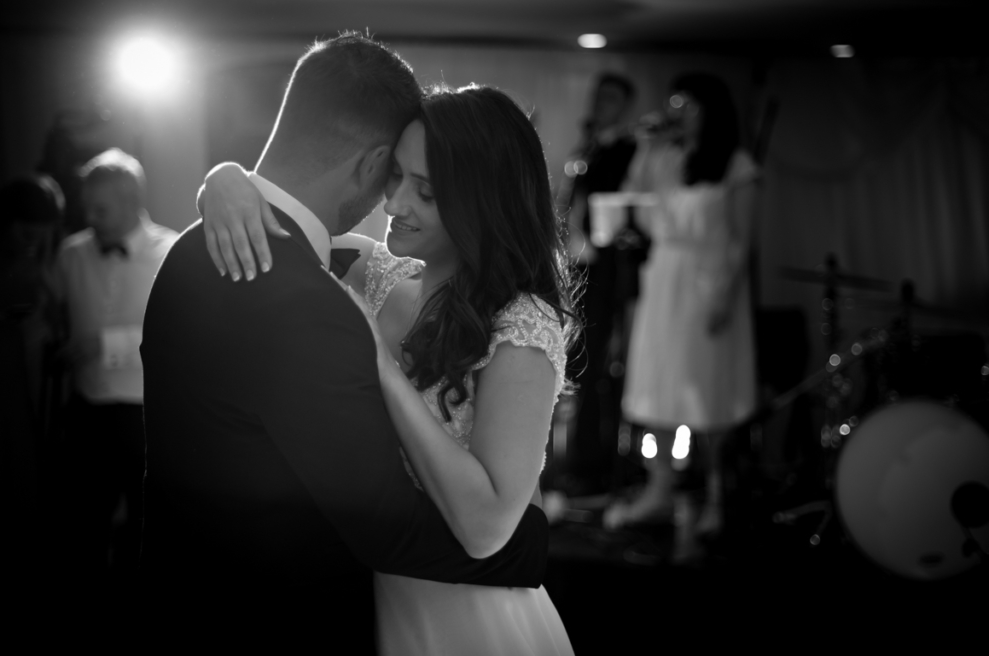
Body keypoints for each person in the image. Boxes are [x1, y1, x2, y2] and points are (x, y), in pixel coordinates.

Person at [140, 35, 552, 650]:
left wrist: (382, 363)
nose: (393, 203)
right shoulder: (361, 276)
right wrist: (223, 180)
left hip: (455, 614)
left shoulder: (187, 253)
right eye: (395, 177)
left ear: (481, 202)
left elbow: (483, 514)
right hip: (347, 595)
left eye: (424, 190)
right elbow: (386, 530)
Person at [603, 73, 758, 539]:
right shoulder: (667, 157)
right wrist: (648, 148)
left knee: (708, 393)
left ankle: (714, 496)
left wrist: (726, 297)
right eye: (675, 104)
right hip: (664, 280)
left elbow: (742, 239)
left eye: (687, 105)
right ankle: (661, 490)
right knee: (661, 388)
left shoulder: (736, 165)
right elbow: (635, 202)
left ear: (709, 109)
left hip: (708, 283)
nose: (679, 113)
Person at [54, 148, 178, 580]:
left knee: (145, 526)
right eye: (85, 204)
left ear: (131, 202)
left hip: (144, 413)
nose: (89, 215)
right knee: (83, 523)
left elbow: (176, 334)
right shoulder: (70, 254)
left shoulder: (171, 252)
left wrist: (103, 345)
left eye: (99, 207)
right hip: (86, 410)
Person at [0, 174, 64, 586]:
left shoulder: (31, 250)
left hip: (11, 363)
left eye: (40, 235)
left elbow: (43, 300)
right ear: (6, 220)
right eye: (26, 231)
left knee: (21, 462)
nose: (32, 240)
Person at [561, 73, 643, 495]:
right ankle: (576, 455)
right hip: (581, 267)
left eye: (611, 98)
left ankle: (598, 461)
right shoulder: (587, 148)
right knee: (578, 361)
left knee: (599, 364)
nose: (601, 104)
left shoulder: (629, 151)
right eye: (599, 96)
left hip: (609, 271)